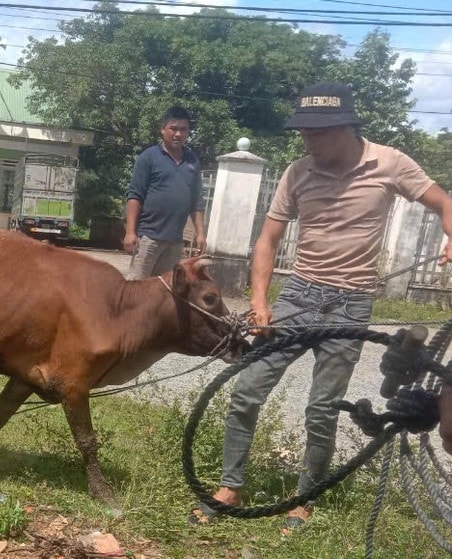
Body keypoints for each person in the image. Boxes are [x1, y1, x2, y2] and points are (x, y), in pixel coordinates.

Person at [190, 82, 452, 531]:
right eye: (304, 134)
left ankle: (304, 498)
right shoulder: (296, 172)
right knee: (246, 391)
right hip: (298, 298)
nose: (308, 142)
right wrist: (258, 301)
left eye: (317, 134)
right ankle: (230, 486)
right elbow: (268, 239)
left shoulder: (390, 163)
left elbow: (443, 203)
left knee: (321, 408)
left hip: (351, 306)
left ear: (345, 127)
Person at [123, 106, 206, 280]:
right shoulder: (149, 157)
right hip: (148, 237)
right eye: (173, 128)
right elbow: (134, 196)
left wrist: (200, 234)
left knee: (164, 291)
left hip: (175, 241)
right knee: (136, 288)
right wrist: (130, 232)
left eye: (183, 129)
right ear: (162, 129)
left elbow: (196, 201)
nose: (178, 134)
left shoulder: (192, 161)